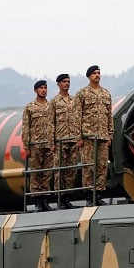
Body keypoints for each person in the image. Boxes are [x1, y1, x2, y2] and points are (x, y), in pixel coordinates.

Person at [74, 65, 113, 206]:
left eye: (98, 73)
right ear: (89, 76)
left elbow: (109, 115)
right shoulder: (82, 94)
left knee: (102, 166)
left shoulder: (106, 93)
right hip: (88, 136)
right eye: (94, 73)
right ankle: (90, 196)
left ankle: (99, 194)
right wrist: (78, 137)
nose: (97, 75)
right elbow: (77, 116)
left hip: (103, 136)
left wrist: (110, 135)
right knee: (88, 167)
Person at [21, 80, 55, 212]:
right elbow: (26, 127)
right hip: (35, 145)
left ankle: (45, 201)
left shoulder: (51, 106)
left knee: (46, 174)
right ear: (36, 90)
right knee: (36, 173)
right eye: (41, 88)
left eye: (45, 88)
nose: (43, 90)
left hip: (48, 144)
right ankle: (37, 202)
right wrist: (26, 146)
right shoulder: (30, 107)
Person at [50, 73, 78, 209]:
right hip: (60, 140)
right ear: (58, 84)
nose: (67, 84)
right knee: (59, 170)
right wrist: (52, 142)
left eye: (68, 81)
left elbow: (78, 119)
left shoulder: (74, 100)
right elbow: (51, 123)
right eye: (64, 82)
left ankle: (67, 197)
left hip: (73, 139)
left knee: (71, 170)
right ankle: (60, 198)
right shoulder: (54, 102)